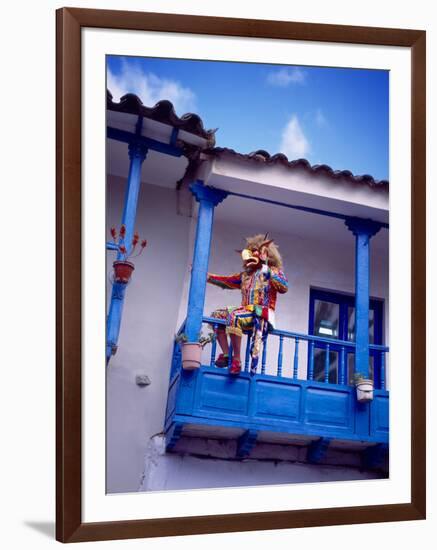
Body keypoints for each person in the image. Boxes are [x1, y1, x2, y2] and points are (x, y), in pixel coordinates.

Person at [207, 234, 288, 375]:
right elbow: (226, 281)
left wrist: (267, 269)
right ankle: (227, 355)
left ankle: (237, 361)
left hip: (260, 313)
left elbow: (283, 287)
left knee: (234, 316)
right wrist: (206, 276)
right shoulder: (245, 275)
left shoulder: (273, 271)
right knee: (217, 315)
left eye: (256, 250)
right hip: (245, 310)